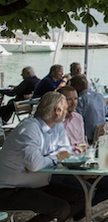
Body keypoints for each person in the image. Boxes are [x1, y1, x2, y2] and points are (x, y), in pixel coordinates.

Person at [0, 92, 85, 222]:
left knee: (82, 196)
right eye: (66, 108)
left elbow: (67, 151)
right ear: (57, 111)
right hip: (10, 190)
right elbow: (36, 165)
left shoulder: (57, 125)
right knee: (61, 209)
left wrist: (46, 157)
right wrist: (55, 157)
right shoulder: (29, 128)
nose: (67, 111)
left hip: (36, 184)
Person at [53, 87, 108, 220]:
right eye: (69, 99)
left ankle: (79, 211)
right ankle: (76, 211)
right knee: (87, 189)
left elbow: (82, 143)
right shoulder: (56, 122)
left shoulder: (78, 118)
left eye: (75, 99)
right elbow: (58, 154)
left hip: (81, 163)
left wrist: (87, 159)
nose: (73, 102)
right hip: (64, 168)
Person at [72, 75, 108, 143]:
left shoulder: (81, 100)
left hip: (89, 136)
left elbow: (75, 119)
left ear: (76, 87)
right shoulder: (99, 95)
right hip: (102, 132)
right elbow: (106, 112)